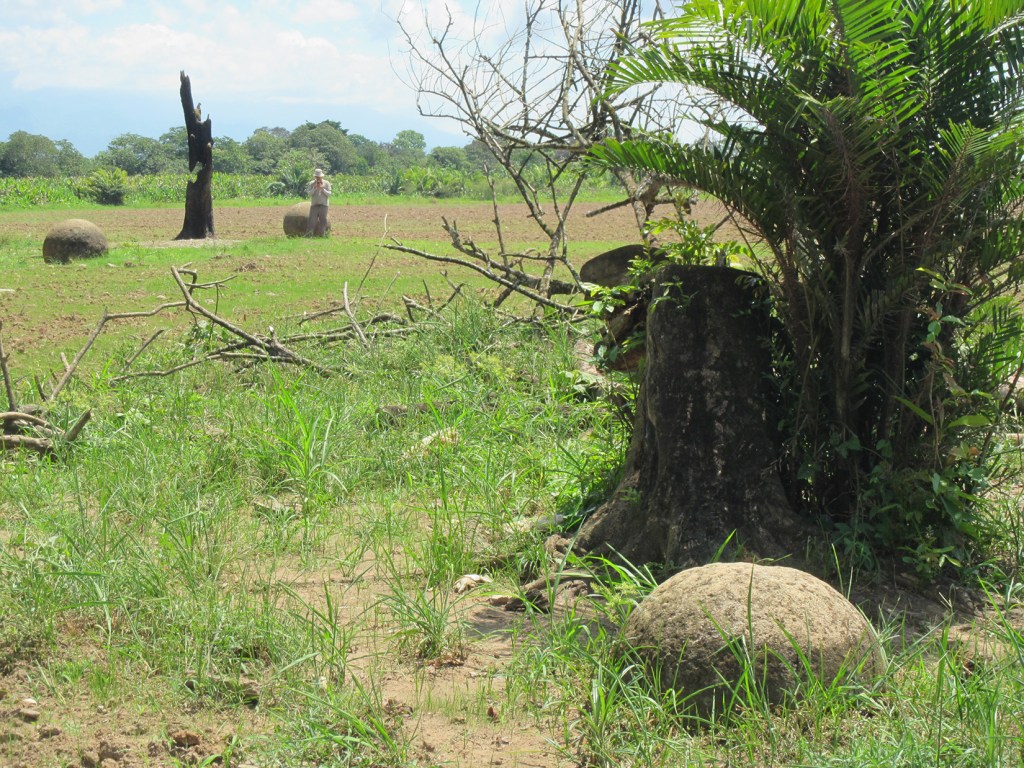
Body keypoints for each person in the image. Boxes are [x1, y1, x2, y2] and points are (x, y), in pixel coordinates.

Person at [305, 168, 332, 237]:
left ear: (322, 176)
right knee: (312, 221)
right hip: (314, 205)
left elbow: (329, 194)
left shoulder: (326, 183)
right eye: (317, 177)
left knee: (323, 221)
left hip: (324, 205)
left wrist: (323, 189)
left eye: (319, 177)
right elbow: (309, 194)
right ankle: (309, 235)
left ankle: (322, 235)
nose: (318, 178)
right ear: (315, 177)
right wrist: (314, 188)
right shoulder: (311, 183)